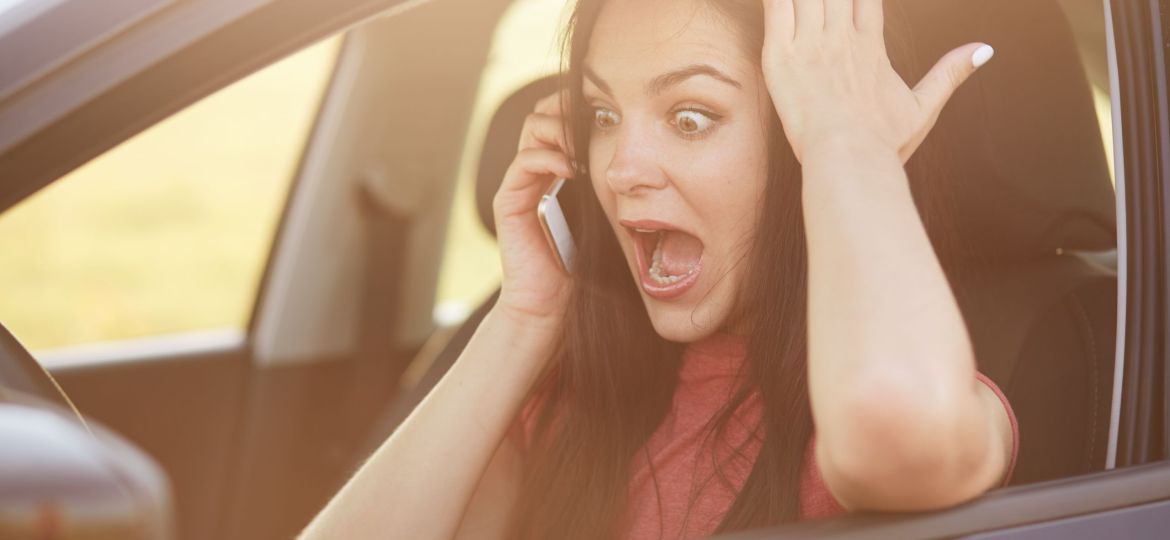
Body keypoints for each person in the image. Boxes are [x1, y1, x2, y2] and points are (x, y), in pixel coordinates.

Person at [301, 0, 1018, 538]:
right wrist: (523, 318)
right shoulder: (567, 403)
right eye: (603, 114)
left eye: (690, 118)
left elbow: (894, 425)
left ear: (806, 139)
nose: (619, 171)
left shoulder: (938, 399)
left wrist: (851, 144)